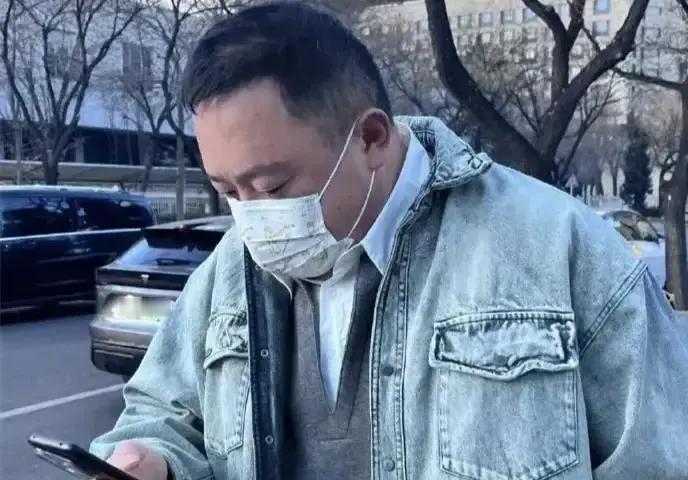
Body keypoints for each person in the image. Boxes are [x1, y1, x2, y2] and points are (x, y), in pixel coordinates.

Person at [91, 2, 688, 480]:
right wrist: (154, 459)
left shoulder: (558, 247)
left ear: (372, 137)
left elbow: (663, 458)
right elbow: (161, 411)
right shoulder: (229, 270)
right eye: (228, 190)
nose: (250, 218)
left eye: (272, 186)